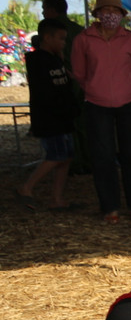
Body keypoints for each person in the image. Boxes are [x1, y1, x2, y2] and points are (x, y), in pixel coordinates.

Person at [72, 0, 131, 225]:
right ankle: (110, 207)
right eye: (106, 11)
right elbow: (80, 74)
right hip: (96, 105)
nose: (111, 15)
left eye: (115, 11)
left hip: (128, 104)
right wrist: (96, 89)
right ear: (97, 14)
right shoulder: (84, 40)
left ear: (122, 15)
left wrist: (128, 90)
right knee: (102, 157)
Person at [16, 19, 79, 211]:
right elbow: (44, 92)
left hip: (62, 116)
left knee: (66, 156)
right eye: (60, 39)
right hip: (49, 117)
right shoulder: (37, 60)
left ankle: (57, 198)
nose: (63, 43)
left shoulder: (55, 58)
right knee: (57, 155)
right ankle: (26, 187)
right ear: (47, 37)